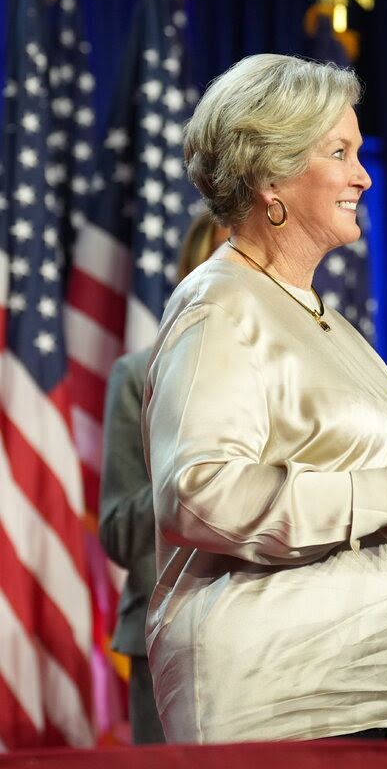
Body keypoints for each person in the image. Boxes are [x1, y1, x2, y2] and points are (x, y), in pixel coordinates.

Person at [141, 54, 387, 743]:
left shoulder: (326, 318)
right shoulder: (219, 306)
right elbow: (199, 494)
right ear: (270, 177)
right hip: (293, 703)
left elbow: (384, 500)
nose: (363, 174)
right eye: (339, 152)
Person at [99, 211, 229, 744]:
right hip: (169, 637)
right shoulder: (137, 375)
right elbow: (119, 533)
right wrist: (194, 464)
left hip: (282, 632)